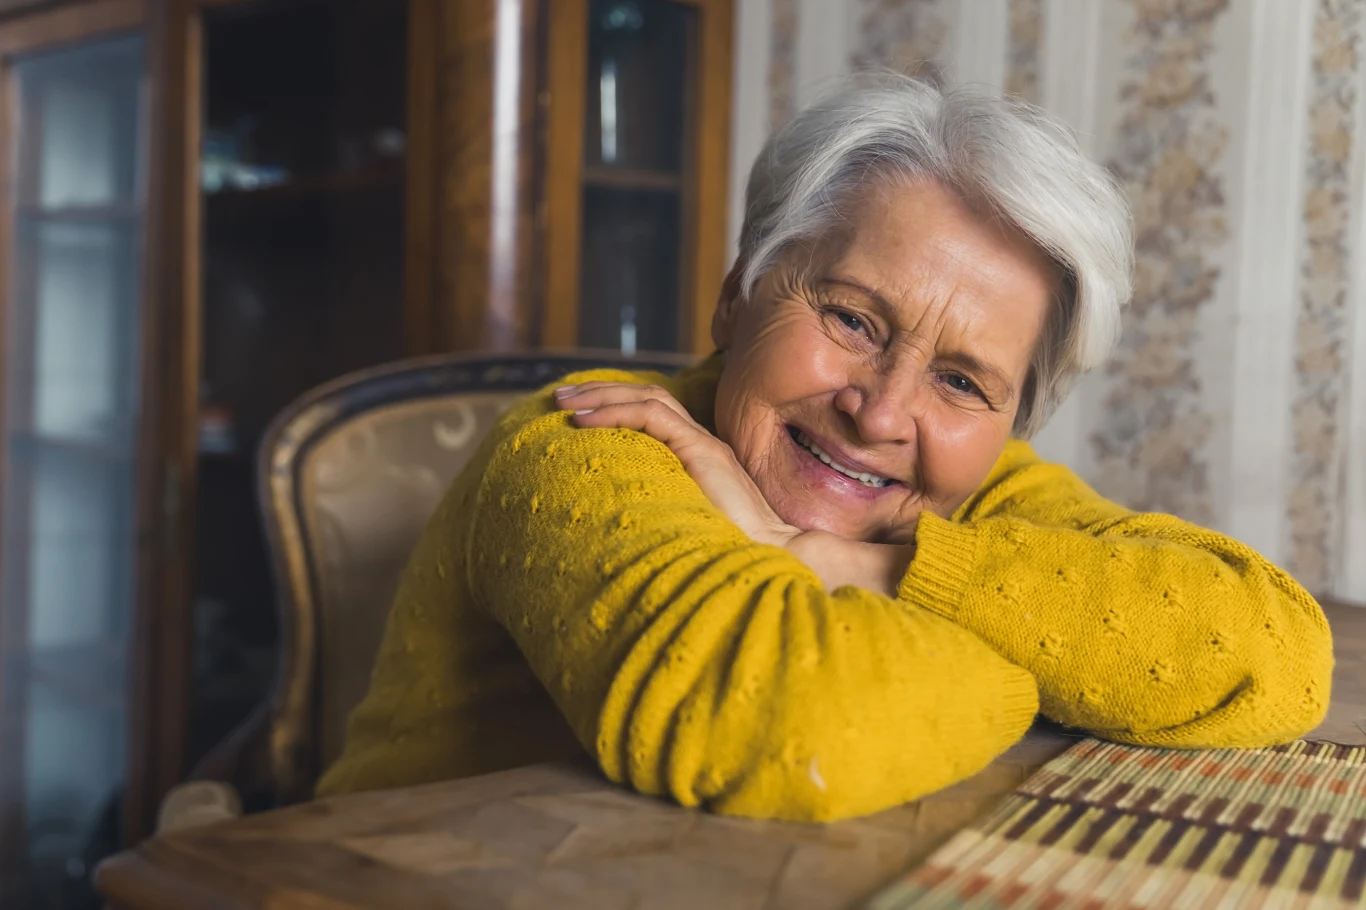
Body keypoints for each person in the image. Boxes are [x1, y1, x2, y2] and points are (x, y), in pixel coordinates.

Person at [317, 75, 1333, 822]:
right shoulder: (582, 444)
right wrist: (1063, 668)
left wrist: (853, 563)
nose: (881, 412)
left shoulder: (965, 494)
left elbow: (1276, 651)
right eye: (851, 319)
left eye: (961, 381)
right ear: (735, 295)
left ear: (1009, 426)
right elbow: (786, 730)